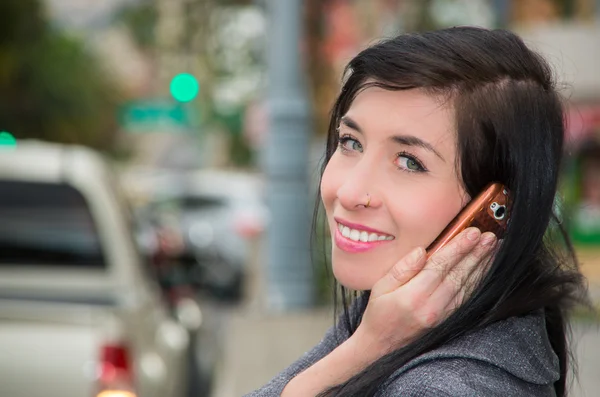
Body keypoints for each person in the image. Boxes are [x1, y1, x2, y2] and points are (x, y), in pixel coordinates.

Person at [247, 26, 589, 397]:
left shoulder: (446, 388)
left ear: (492, 210)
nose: (349, 192)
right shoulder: (386, 325)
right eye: (350, 142)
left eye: (409, 162)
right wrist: (362, 349)